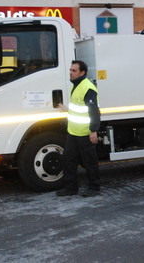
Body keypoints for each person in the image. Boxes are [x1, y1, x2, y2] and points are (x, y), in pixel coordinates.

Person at [56, 60, 101, 197]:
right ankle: (70, 188)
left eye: (74, 70)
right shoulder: (76, 86)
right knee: (68, 160)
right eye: (70, 70)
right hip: (73, 132)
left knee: (89, 162)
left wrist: (93, 130)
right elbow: (79, 109)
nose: (71, 72)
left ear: (82, 73)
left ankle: (94, 188)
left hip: (85, 132)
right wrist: (66, 110)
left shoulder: (87, 87)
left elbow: (93, 111)